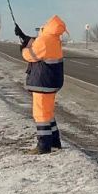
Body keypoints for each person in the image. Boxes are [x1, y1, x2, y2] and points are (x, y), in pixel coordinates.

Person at [15, 15, 66, 155]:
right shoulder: (54, 39)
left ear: (49, 26)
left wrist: (23, 48)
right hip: (50, 82)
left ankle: (43, 146)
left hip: (43, 83)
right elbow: (38, 44)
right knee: (48, 113)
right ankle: (55, 143)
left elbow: (30, 55)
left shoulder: (45, 40)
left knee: (41, 114)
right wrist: (25, 37)